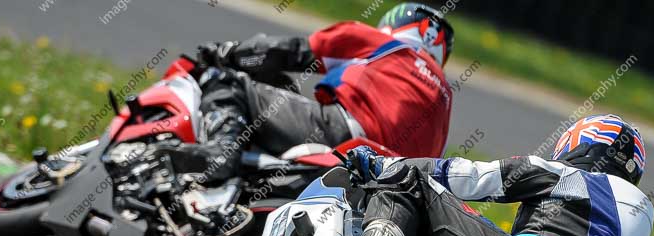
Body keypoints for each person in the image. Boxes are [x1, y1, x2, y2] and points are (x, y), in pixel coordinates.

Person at [289, 114, 654, 236]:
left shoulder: (570, 176)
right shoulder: (643, 211)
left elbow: (473, 177)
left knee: (408, 180)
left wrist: (385, 166)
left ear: (581, 142)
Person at [162, 3, 455, 183]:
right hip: (388, 181)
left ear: (396, 24)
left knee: (229, 84)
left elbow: (289, 52)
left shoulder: (385, 44)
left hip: (345, 135)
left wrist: (228, 54)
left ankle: (219, 155)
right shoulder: (445, 97)